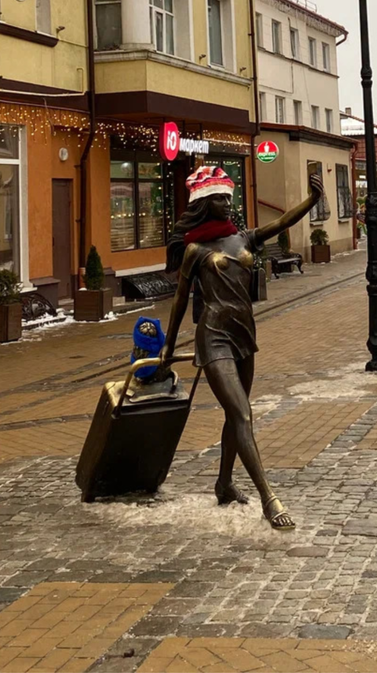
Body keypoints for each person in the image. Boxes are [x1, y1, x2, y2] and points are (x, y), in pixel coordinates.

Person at [160, 164, 323, 531]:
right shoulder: (195, 250)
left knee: (236, 416)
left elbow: (281, 225)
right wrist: (168, 349)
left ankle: (224, 483)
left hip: (244, 334)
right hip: (213, 334)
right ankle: (269, 498)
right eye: (218, 198)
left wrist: (312, 201)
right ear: (203, 203)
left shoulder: (243, 239)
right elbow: (179, 302)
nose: (226, 203)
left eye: (227, 197)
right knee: (244, 414)